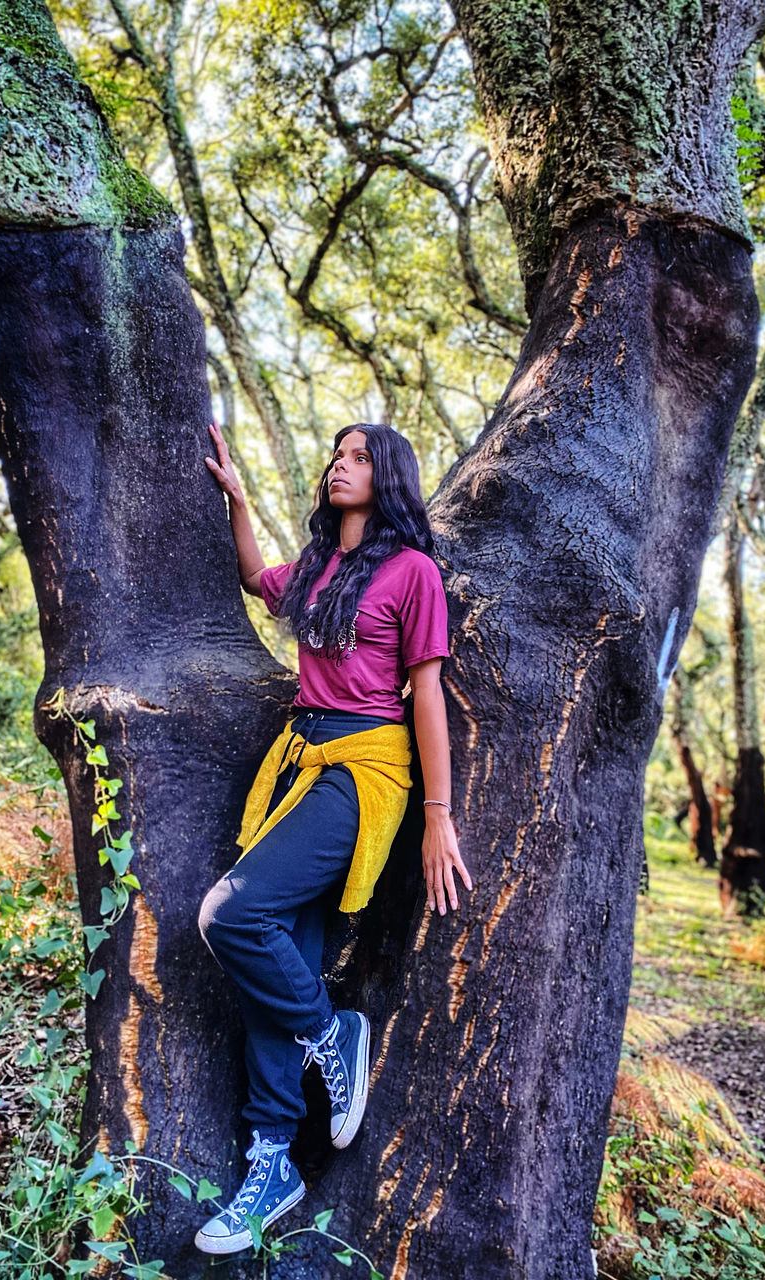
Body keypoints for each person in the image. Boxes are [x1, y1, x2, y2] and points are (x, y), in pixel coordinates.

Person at [193, 420, 472, 1255]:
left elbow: (426, 694)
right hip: (298, 764)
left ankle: (331, 1033)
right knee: (279, 954)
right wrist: (239, 500)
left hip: (364, 769)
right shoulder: (319, 569)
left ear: (386, 477)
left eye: (358, 459)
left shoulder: (412, 572)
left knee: (230, 917)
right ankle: (272, 1160)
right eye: (336, 456)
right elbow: (252, 576)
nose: (339, 467)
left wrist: (438, 815)